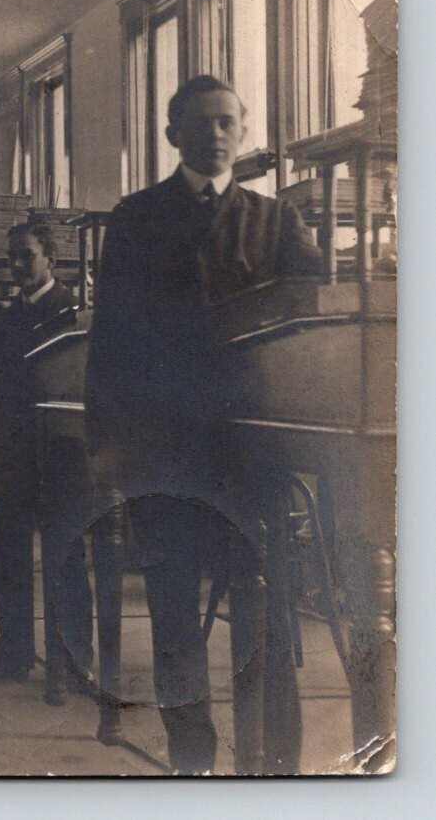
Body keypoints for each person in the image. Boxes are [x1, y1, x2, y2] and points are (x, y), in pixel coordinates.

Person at [85, 75, 320, 774]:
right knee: (173, 613)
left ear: (243, 132)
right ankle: (194, 759)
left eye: (226, 122)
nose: (215, 134)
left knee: (266, 611)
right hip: (162, 448)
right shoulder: (135, 218)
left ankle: (275, 763)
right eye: (200, 122)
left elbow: (309, 321)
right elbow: (110, 342)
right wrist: (106, 447)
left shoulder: (276, 220)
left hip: (251, 451)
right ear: (171, 135)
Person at [0, 223, 92, 686]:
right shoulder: (8, 317)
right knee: (5, 553)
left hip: (62, 454)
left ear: (51, 259)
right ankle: (14, 654)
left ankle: (74, 661)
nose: (18, 264)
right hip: (14, 453)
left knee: (65, 556)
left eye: (27, 255)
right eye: (12, 257)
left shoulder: (74, 315)